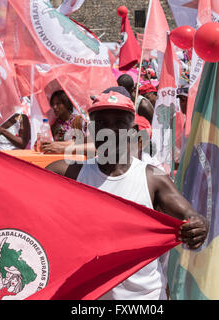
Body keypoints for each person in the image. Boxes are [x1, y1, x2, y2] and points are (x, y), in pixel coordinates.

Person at [45, 90, 209, 300]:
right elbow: (22, 189)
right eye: (102, 123)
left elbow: (191, 216)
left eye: (119, 124)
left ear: (132, 131)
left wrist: (199, 225)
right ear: (92, 130)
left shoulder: (152, 179)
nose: (110, 130)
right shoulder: (69, 173)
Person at [35, 90, 85, 154]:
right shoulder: (55, 124)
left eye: (58, 104)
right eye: (53, 104)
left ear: (67, 104)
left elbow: (85, 143)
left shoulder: (78, 121)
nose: (54, 107)